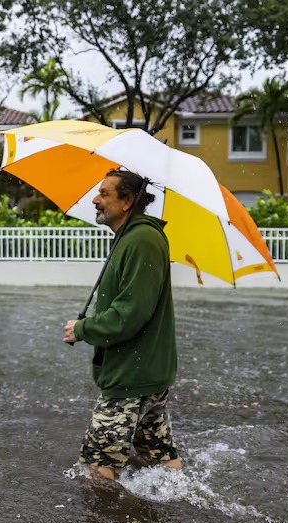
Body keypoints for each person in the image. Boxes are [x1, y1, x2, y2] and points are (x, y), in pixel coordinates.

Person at [63, 169, 182, 481]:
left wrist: (82, 328)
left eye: (104, 193)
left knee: (97, 464)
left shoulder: (141, 240)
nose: (95, 199)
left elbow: (129, 314)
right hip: (145, 372)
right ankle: (173, 512)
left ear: (127, 200)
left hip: (131, 375)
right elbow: (129, 305)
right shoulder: (131, 238)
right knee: (157, 455)